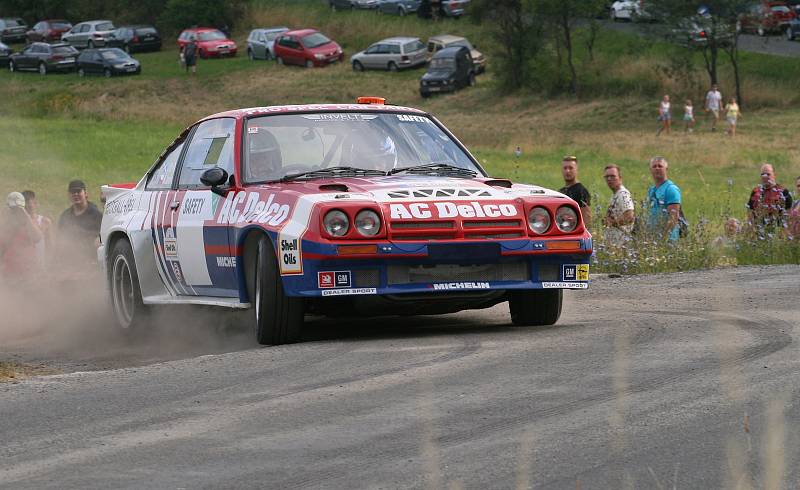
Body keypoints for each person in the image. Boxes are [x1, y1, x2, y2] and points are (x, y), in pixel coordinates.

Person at [58, 180, 103, 266]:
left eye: (78, 191)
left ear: (85, 193)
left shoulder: (96, 215)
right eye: (72, 192)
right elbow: (59, 240)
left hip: (92, 262)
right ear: (69, 195)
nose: (75, 194)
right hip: (70, 263)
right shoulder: (65, 216)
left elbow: (104, 236)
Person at [0, 192, 43, 282]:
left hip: (28, 273)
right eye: (13, 209)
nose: (16, 212)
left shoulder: (29, 222)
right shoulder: (6, 224)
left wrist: (24, 213)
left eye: (17, 209)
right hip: (8, 273)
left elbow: (37, 237)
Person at [747, 163, 792, 235]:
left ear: (775, 175)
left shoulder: (783, 191)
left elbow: (789, 215)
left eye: (768, 174)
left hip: (777, 233)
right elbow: (750, 212)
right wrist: (750, 230)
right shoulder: (755, 191)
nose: (765, 177)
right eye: (763, 174)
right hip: (758, 232)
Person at [646, 156, 683, 242]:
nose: (657, 168)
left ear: (666, 169)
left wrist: (663, 238)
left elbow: (673, 217)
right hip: (652, 239)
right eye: (654, 166)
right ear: (650, 170)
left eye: (660, 166)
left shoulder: (671, 189)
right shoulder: (651, 190)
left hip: (667, 240)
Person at [602, 164, 635, 247]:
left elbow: (629, 217)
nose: (609, 179)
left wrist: (611, 222)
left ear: (620, 178)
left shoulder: (623, 194)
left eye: (613, 176)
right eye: (607, 177)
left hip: (622, 244)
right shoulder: (615, 194)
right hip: (614, 245)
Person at [21, 190, 52, 269]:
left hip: (40, 267)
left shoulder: (44, 221)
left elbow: (49, 246)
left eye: (32, 202)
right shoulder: (18, 224)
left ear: (36, 203)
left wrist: (49, 266)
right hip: (23, 266)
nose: (29, 205)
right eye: (26, 203)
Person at [559, 156, 591, 227]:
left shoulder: (581, 191)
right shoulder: (561, 191)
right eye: (565, 168)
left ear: (576, 170)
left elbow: (586, 220)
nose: (567, 171)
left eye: (570, 168)